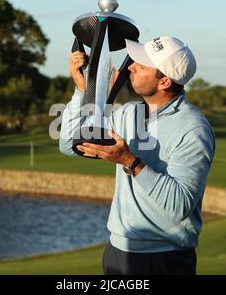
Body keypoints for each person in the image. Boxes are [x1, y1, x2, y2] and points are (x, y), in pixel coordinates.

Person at [59, 36, 215, 275]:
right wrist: (82, 89)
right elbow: (69, 144)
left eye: (141, 65)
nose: (130, 66)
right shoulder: (128, 113)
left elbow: (179, 204)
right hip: (118, 250)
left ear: (164, 82)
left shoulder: (193, 128)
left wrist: (130, 161)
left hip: (164, 258)